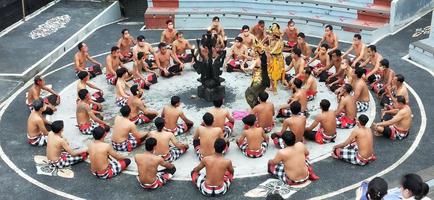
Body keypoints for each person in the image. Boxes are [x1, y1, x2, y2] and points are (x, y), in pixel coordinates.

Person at [245, 41, 270, 108]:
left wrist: (242, 67)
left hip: (258, 78)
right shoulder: (264, 58)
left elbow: (249, 69)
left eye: (253, 51)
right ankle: (261, 104)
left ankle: (255, 106)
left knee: (251, 92)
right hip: (264, 77)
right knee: (260, 91)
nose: (251, 52)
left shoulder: (257, 60)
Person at [267, 23, 285, 94]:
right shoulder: (271, 39)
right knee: (270, 73)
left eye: (274, 26)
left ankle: (275, 89)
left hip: (278, 58)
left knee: (275, 74)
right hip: (272, 57)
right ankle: (272, 87)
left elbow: (276, 47)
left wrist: (271, 51)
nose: (273, 27)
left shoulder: (279, 40)